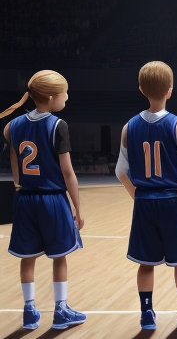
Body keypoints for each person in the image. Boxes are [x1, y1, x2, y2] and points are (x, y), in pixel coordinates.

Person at [115, 61, 177, 330]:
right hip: (174, 202)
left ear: (141, 89)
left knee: (145, 263)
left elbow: (120, 170)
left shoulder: (128, 127)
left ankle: (146, 314)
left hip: (145, 202)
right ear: (170, 90)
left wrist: (136, 195)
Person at [0, 70, 86, 330]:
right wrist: (77, 208)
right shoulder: (58, 125)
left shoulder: (12, 125)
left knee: (28, 257)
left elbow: (14, 157)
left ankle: (29, 311)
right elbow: (68, 172)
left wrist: (18, 184)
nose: (67, 98)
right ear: (50, 97)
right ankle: (60, 311)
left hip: (25, 199)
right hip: (52, 199)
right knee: (59, 256)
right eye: (64, 94)